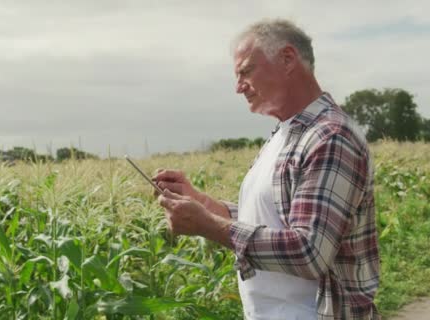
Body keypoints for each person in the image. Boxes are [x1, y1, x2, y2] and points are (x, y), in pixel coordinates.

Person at [154, 19, 380, 320]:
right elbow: (272, 221)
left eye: (245, 71)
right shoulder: (286, 134)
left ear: (287, 59)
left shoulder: (330, 136)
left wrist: (208, 225)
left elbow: (309, 252)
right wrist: (203, 205)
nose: (238, 87)